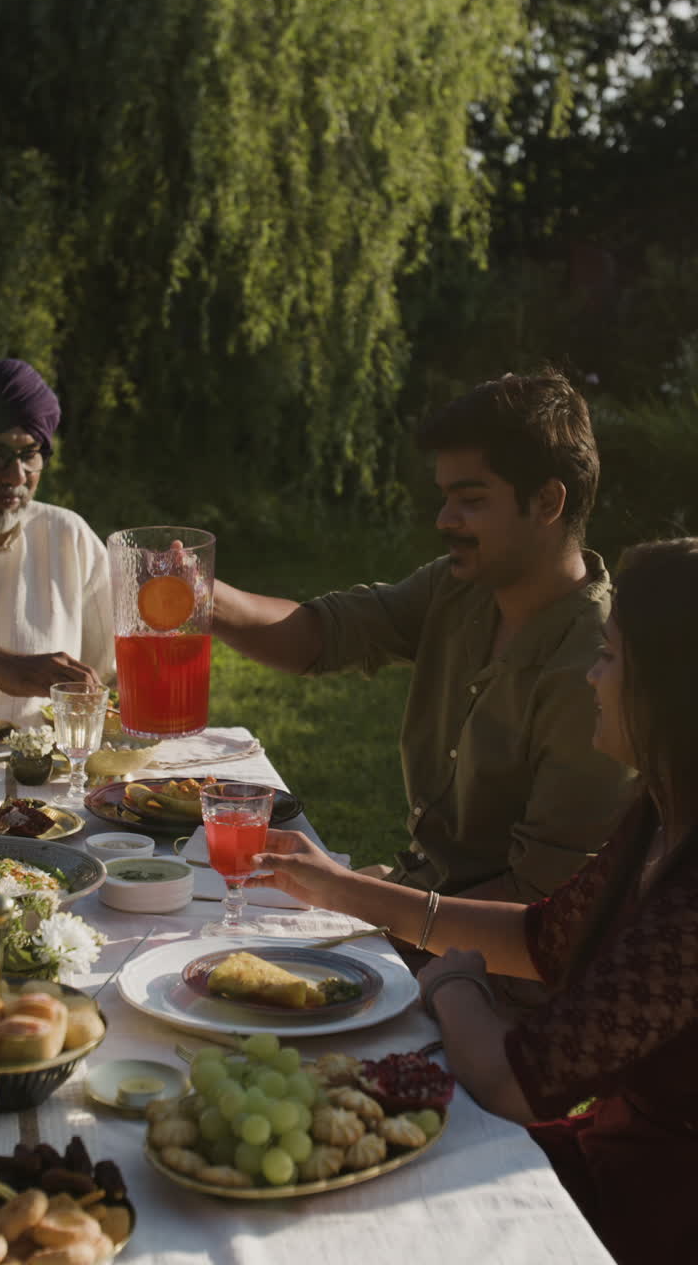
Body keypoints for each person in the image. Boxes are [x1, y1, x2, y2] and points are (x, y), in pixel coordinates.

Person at [250, 537, 698, 1265]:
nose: (591, 676)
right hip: (612, 1159)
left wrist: (453, 987)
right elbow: (542, 937)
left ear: (669, 690)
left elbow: (515, 1083)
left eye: (610, 657)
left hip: (650, 1217)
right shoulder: (661, 809)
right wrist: (345, 890)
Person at [211, 370, 632, 903]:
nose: (444, 519)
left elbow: (542, 907)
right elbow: (320, 636)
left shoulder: (594, 671)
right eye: (445, 497)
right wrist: (202, 597)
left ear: (548, 502)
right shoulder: (459, 589)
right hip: (420, 906)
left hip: (493, 967)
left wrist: (356, 896)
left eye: (471, 500)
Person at [0, 359, 114, 724]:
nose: (16, 474)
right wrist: (0, 666)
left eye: (29, 454)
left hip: (36, 773)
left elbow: (108, 676)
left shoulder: (68, 538)